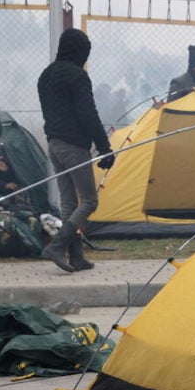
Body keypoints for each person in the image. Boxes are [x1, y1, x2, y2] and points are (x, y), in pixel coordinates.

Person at [37, 28, 114, 273]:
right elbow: (88, 114)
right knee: (90, 201)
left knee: (68, 203)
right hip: (73, 147)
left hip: (54, 145)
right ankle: (57, 246)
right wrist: (105, 148)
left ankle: (77, 257)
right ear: (80, 52)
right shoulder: (77, 76)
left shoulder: (45, 75)